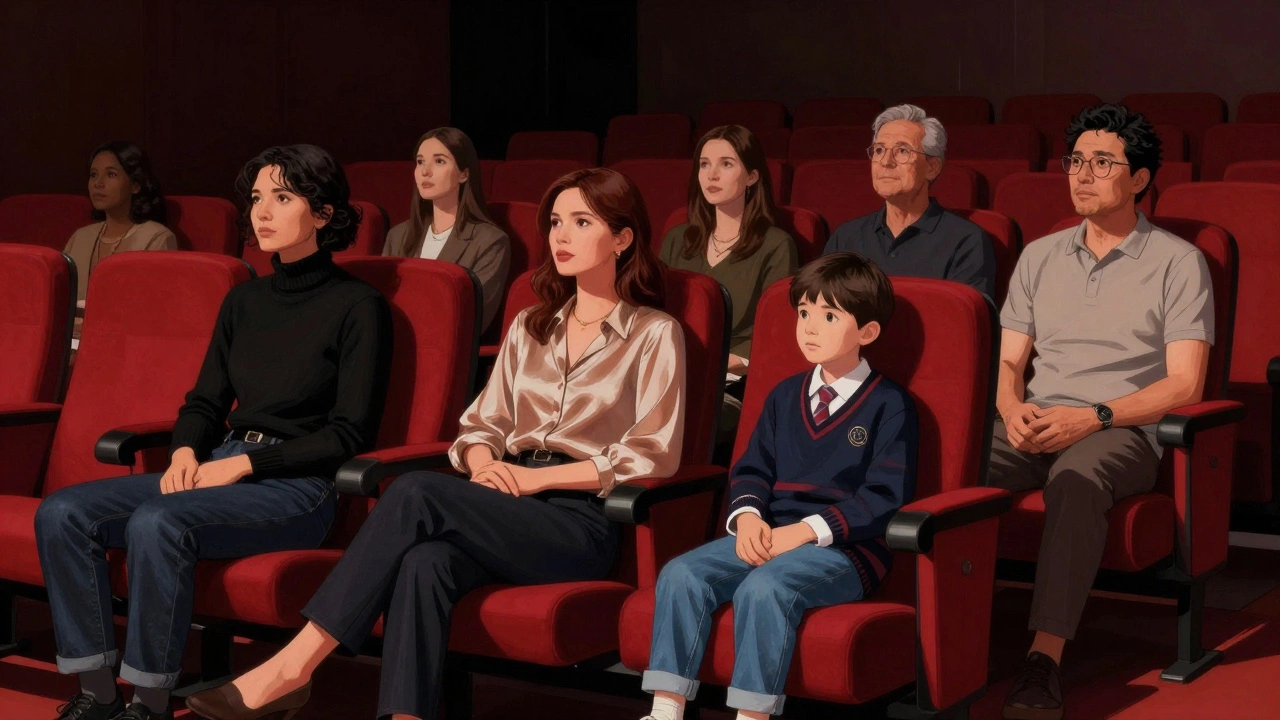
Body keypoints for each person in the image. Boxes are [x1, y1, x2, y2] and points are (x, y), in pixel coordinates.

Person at [187, 167, 687, 720]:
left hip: (579, 522)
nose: (561, 236)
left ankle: (293, 667)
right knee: (426, 563)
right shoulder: (530, 326)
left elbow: (653, 451)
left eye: (581, 222)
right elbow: (481, 426)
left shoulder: (654, 333)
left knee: (416, 491)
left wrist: (534, 479)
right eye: (554, 223)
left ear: (622, 238)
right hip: (504, 499)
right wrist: (484, 464)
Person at [35, 145, 393, 720]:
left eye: (283, 197)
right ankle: (97, 694)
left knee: (158, 521)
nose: (262, 212)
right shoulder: (243, 300)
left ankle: (149, 704)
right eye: (256, 198)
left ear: (324, 213)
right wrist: (183, 450)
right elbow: (205, 402)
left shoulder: (358, 306)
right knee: (62, 513)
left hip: (299, 486)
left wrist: (244, 465)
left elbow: (348, 435)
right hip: (221, 463)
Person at [992, 104, 1213, 720]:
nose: (1083, 175)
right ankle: (923, 630)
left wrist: (1093, 416)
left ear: (1139, 179)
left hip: (1123, 429)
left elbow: (1185, 382)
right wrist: (1011, 407)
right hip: (1034, 419)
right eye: (1076, 161)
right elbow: (1008, 362)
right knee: (940, 461)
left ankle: (1043, 659)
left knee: (1076, 480)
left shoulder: (1178, 262)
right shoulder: (1039, 255)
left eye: (1102, 163)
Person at [639, 252, 918, 720]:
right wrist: (748, 517)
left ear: (867, 333)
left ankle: (752, 715)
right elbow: (752, 469)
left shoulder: (890, 404)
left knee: (764, 588)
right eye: (804, 313)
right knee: (681, 574)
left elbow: (882, 499)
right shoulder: (784, 395)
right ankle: (666, 710)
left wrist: (803, 532)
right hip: (769, 533)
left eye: (829, 316)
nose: (810, 328)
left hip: (847, 550)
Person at [658, 125, 798, 456]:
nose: (712, 175)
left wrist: (710, 365)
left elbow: (776, 334)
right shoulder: (678, 238)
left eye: (726, 164)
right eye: (704, 164)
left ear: (752, 176)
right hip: (666, 374)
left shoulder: (776, 245)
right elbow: (652, 312)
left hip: (731, 382)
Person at [823, 104, 996, 299]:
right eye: (879, 150)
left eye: (902, 151)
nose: (886, 161)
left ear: (932, 167)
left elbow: (964, 314)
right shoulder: (846, 236)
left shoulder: (965, 241)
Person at [381, 127, 512, 333]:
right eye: (420, 162)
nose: (425, 171)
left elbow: (474, 317)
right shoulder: (397, 236)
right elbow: (381, 304)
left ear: (464, 174)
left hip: (445, 346)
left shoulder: (490, 241)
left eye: (439, 161)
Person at [64, 141, 177, 344]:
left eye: (111, 174)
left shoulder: (157, 238)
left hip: (125, 345)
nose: (98, 183)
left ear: (135, 185)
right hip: (70, 343)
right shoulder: (81, 237)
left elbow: (153, 315)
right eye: (93, 175)